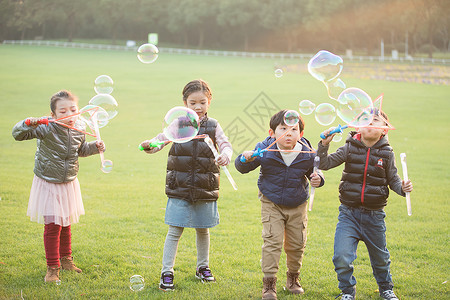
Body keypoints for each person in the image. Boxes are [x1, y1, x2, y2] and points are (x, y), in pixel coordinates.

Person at [139, 79, 233, 291]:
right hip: (179, 186)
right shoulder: (179, 124)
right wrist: (149, 145)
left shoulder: (213, 125)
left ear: (209, 101)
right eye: (193, 103)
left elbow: (226, 144)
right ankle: (167, 272)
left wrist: (226, 155)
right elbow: (161, 140)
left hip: (205, 185)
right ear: (185, 103)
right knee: (175, 230)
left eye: (202, 102)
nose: (198, 107)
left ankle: (203, 267)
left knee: (203, 229)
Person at [317, 109, 413, 300]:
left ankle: (386, 288)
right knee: (341, 257)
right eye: (365, 120)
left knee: (380, 258)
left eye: (375, 120)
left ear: (384, 130)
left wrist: (403, 187)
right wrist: (323, 145)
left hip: (374, 215)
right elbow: (325, 163)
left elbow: (393, 179)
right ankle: (347, 291)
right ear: (358, 126)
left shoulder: (386, 153)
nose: (370, 123)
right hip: (348, 214)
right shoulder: (349, 148)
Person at [12, 90, 105, 283]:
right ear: (53, 115)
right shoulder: (46, 127)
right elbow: (17, 135)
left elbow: (80, 151)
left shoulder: (79, 126)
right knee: (53, 225)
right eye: (63, 111)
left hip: (68, 182)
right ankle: (52, 269)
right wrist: (28, 123)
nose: (69, 114)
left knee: (66, 223)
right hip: (48, 182)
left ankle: (66, 260)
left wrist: (95, 147)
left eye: (73, 109)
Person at [234, 110, 324, 300]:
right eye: (283, 128)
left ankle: (293, 278)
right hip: (271, 202)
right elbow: (242, 167)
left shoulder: (308, 153)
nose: (288, 133)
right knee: (272, 241)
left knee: (297, 243)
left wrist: (319, 179)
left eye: (294, 129)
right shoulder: (265, 150)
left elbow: (315, 172)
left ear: (300, 134)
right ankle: (269, 284)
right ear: (271, 132)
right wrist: (244, 158)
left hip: (297, 203)